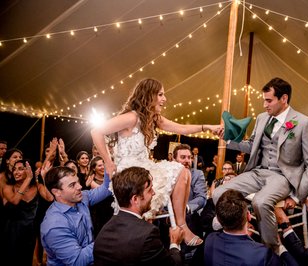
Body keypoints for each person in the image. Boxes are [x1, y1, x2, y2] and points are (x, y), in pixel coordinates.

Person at [91, 78, 221, 246]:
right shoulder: (131, 117)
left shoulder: (153, 119)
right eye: (160, 95)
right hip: (129, 172)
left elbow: (181, 128)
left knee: (183, 171)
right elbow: (96, 131)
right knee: (176, 175)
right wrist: (108, 162)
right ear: (148, 96)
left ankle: (182, 226)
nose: (164, 99)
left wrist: (207, 127)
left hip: (146, 167)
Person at [213, 77, 308, 248]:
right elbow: (251, 146)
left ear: (284, 98)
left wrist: (296, 196)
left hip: (282, 177)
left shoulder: (304, 123)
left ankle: (272, 250)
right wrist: (227, 139)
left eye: (269, 100)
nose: (265, 105)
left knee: (261, 202)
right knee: (218, 193)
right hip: (257, 172)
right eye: (264, 100)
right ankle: (234, 241)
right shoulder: (262, 118)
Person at [94, 166, 184, 265]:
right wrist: (174, 243)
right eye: (149, 190)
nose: (153, 193)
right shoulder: (148, 234)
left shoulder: (103, 231)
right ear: (135, 199)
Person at [205, 189, 299, 266]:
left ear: (219, 219)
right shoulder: (262, 254)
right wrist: (280, 248)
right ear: (249, 216)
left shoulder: (210, 240)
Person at [40, 166, 112, 265]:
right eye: (72, 185)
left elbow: (106, 189)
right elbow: (77, 261)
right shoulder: (54, 226)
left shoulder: (82, 197)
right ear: (57, 192)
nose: (79, 187)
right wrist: (109, 239)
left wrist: (107, 164)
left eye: (77, 182)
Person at [2, 160, 53, 266]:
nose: (16, 172)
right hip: (12, 232)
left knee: (27, 261)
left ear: (29, 171)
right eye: (14, 169)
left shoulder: (37, 187)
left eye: (20, 169)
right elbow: (15, 201)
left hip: (30, 232)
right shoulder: (8, 187)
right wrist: (29, 178)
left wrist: (43, 177)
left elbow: (50, 198)